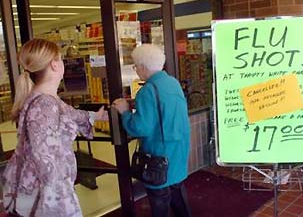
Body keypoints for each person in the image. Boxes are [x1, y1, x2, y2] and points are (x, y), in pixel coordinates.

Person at [1, 38, 107, 216]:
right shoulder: (44, 105)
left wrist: (95, 116)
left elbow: (71, 114)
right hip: (44, 197)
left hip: (32, 190)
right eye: (60, 58)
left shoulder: (47, 99)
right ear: (54, 65)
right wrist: (66, 205)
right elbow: (47, 162)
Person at [112, 44, 191, 217]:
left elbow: (140, 128)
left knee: (159, 202)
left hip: (159, 157)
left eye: (135, 66)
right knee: (178, 195)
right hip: (178, 152)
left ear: (143, 67)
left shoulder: (147, 91)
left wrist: (125, 112)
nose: (136, 70)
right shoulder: (173, 83)